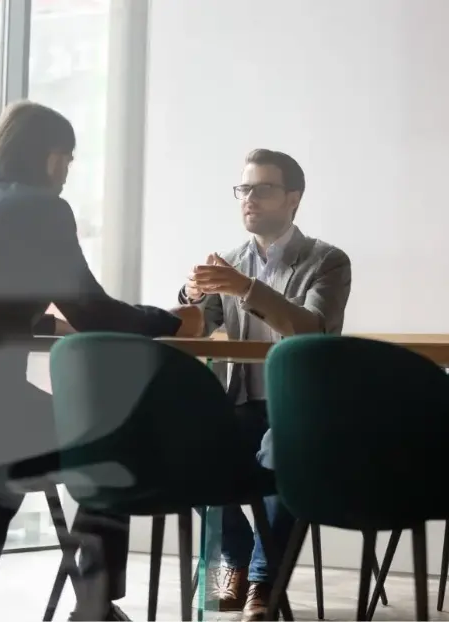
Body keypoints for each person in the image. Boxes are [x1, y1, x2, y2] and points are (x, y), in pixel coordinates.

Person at [0, 100, 203, 621]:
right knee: (115, 434)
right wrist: (172, 322)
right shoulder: (42, 208)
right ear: (52, 157)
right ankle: (95, 603)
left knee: (15, 429)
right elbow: (95, 310)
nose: (67, 174)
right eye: (69, 161)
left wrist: (47, 324)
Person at [179, 148, 351, 621]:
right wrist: (190, 295)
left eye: (263, 188)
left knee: (283, 446)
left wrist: (245, 289)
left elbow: (311, 328)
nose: (249, 198)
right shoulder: (232, 261)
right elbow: (195, 324)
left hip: (302, 410)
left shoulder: (327, 261)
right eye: (244, 189)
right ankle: (233, 560)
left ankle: (262, 580)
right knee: (187, 444)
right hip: (242, 404)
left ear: (293, 198)